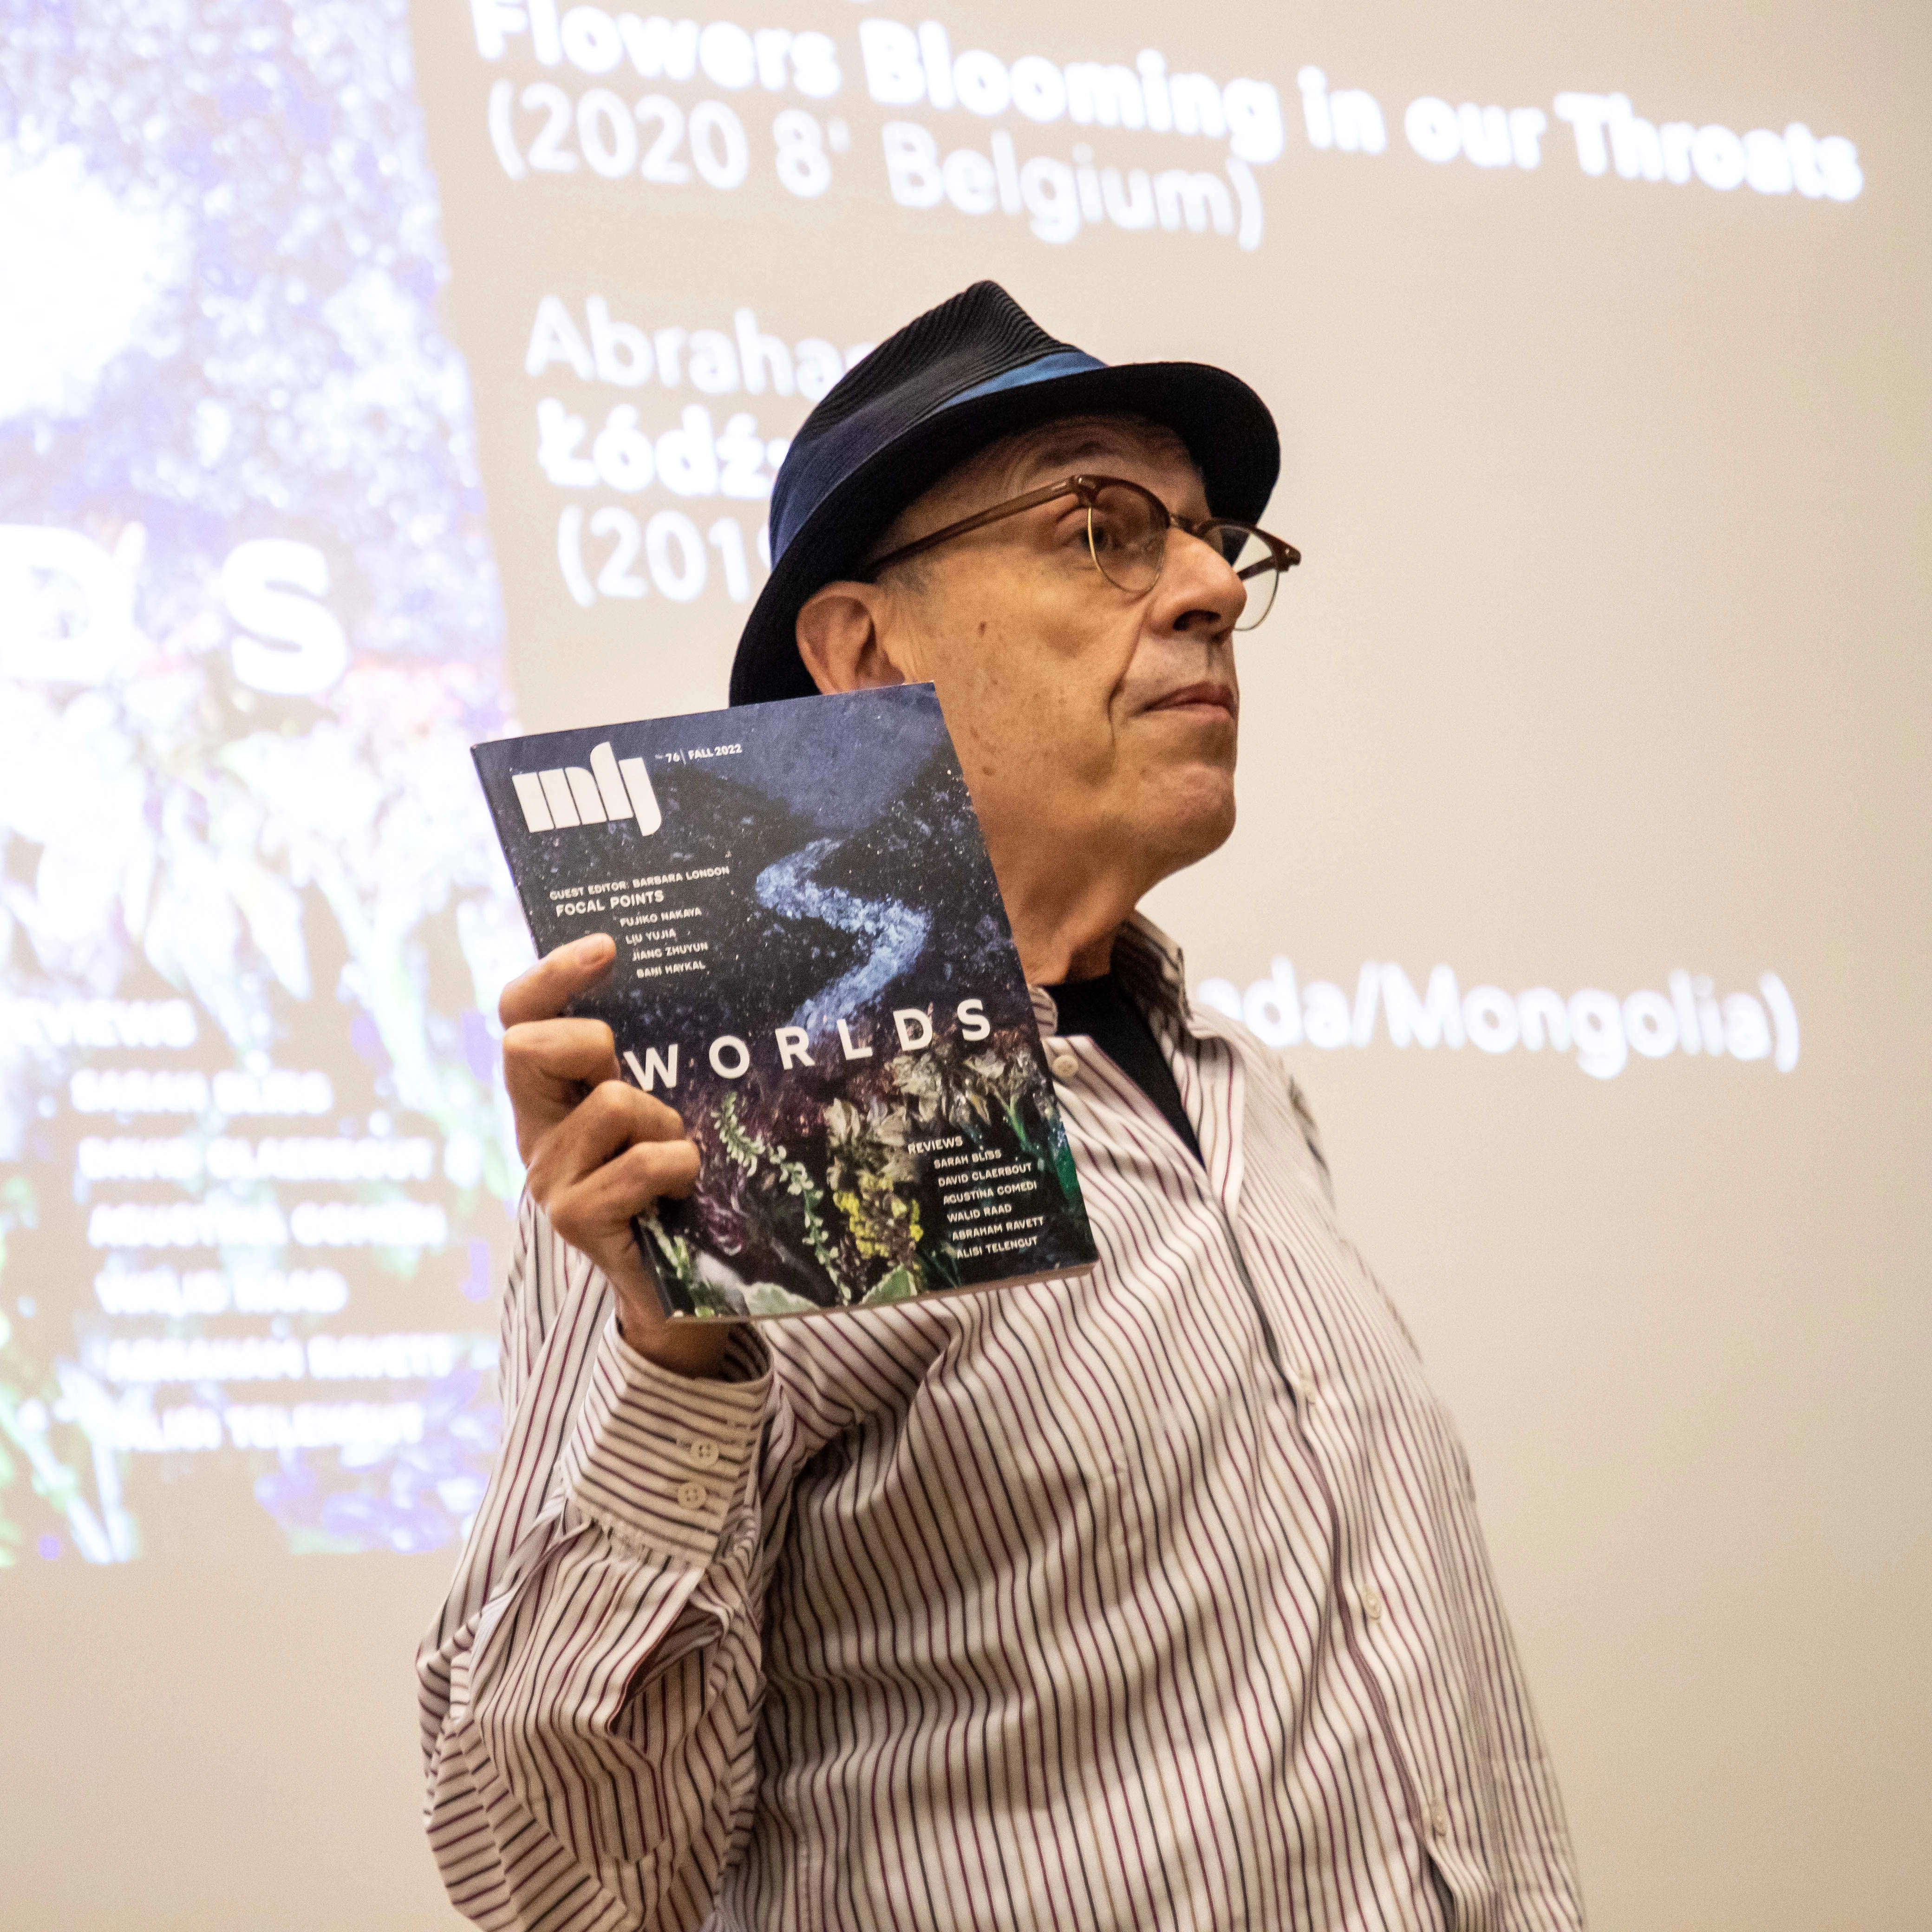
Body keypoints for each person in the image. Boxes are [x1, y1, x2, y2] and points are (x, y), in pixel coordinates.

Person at [418, 282, 1585, 1932]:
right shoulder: (741, 1122)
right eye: (1103, 528)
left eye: (1209, 540)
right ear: (863, 650)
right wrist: (676, 1357)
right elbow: (556, 1881)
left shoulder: (1247, 1096)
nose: (1204, 590)